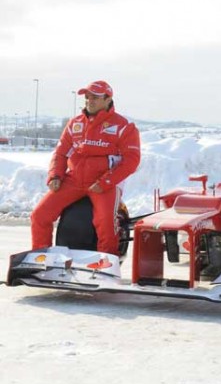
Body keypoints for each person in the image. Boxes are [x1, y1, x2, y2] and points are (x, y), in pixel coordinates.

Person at [31, 80, 141, 256]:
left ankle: (107, 265)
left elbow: (131, 161)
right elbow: (60, 154)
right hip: (73, 180)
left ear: (108, 99)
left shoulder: (124, 126)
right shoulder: (75, 123)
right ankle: (40, 258)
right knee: (39, 215)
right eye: (87, 97)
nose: (89, 101)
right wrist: (55, 176)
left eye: (95, 97)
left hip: (104, 182)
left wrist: (105, 182)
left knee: (105, 222)